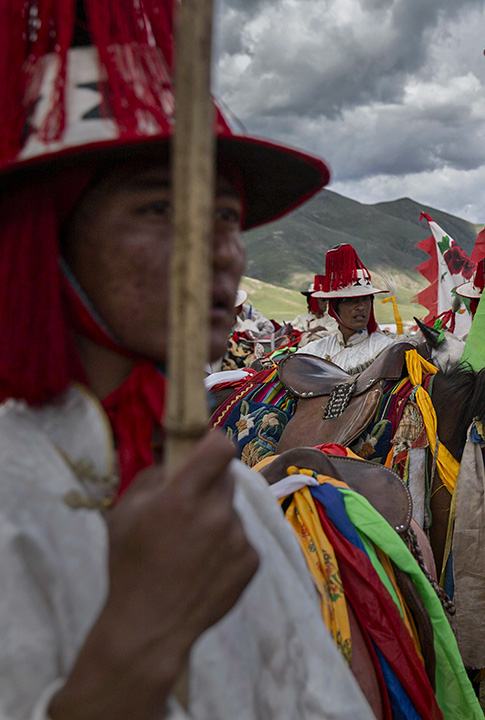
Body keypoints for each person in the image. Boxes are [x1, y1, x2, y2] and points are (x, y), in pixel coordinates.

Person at [0, 5, 375, 718]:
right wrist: (131, 652)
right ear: (47, 236)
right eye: (161, 209)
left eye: (228, 216)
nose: (222, 249)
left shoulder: (234, 500)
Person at [297, 244, 396, 373]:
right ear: (334, 308)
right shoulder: (313, 351)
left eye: (366, 299)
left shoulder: (386, 349)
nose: (361, 307)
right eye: (350, 300)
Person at [289, 276, 336, 345]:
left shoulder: (330, 319)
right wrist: (314, 330)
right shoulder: (300, 318)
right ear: (313, 301)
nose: (326, 303)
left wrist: (311, 333)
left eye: (327, 300)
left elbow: (333, 334)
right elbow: (295, 336)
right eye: (323, 300)